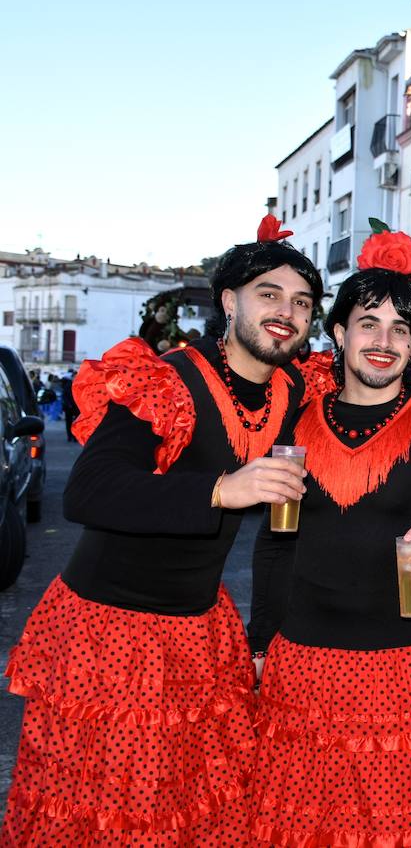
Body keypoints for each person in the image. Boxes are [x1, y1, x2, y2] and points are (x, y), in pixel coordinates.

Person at [0, 215, 321, 843]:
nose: (287, 311)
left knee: (187, 806)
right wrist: (218, 489)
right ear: (229, 302)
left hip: (201, 632)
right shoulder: (166, 381)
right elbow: (90, 490)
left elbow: (367, 386)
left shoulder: (292, 389)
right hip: (110, 633)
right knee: (105, 815)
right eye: (269, 294)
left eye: (302, 302)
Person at [246, 227, 411, 847]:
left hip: (406, 674)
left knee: (398, 834)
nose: (382, 342)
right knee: (296, 830)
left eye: (401, 331)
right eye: (368, 323)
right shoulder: (294, 415)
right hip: (301, 667)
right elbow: (276, 545)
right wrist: (259, 641)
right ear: (338, 333)